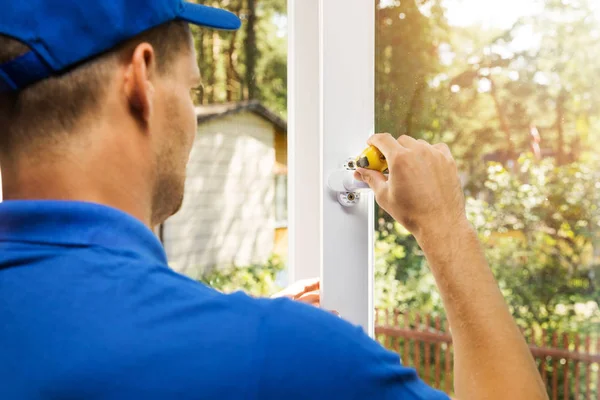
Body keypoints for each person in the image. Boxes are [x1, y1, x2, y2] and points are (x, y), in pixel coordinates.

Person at [0, 1, 547, 399]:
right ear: (140, 79)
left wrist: (230, 328)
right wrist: (446, 225)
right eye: (192, 90)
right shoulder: (277, 355)